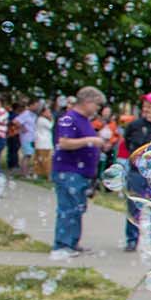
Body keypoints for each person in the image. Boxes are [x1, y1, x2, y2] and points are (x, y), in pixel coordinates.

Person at [50, 86, 107, 259]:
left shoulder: (83, 120)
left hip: (80, 172)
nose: (98, 109)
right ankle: (62, 245)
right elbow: (64, 143)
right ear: (87, 101)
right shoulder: (68, 118)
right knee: (68, 208)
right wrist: (91, 140)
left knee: (77, 208)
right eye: (97, 105)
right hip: (69, 171)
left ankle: (72, 242)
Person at [120, 93, 151, 251]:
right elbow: (127, 143)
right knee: (134, 206)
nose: (145, 109)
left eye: (150, 106)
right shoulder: (135, 126)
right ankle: (132, 240)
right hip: (137, 172)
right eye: (144, 106)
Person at [14, 100, 39, 178]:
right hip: (26, 137)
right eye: (35, 105)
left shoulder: (34, 115)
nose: (37, 107)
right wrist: (22, 127)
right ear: (30, 105)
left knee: (30, 154)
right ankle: (24, 173)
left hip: (32, 137)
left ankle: (26, 172)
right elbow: (15, 121)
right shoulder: (26, 114)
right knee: (27, 155)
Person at [32, 102, 53, 179]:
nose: (49, 113)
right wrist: (51, 119)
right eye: (48, 112)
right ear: (43, 112)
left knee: (38, 159)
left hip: (40, 142)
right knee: (46, 159)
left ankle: (37, 173)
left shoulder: (39, 119)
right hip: (44, 142)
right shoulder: (43, 120)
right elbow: (51, 127)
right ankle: (48, 174)